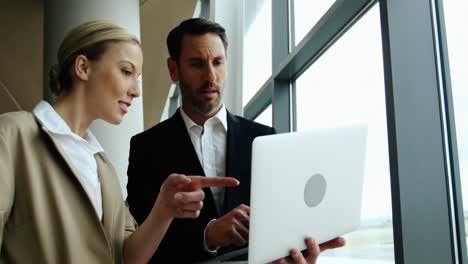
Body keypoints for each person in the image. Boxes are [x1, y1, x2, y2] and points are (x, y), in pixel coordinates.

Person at [0, 20, 239, 264]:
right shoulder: (12, 134)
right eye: (126, 71)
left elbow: (127, 257)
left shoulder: (103, 168)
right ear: (83, 67)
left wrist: (164, 209)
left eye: (137, 78)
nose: (135, 91)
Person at [126, 18, 344, 264]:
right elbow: (139, 240)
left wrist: (296, 251)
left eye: (218, 62)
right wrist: (208, 235)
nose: (211, 76)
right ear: (173, 69)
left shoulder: (266, 138)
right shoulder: (146, 147)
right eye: (197, 64)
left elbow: (282, 223)